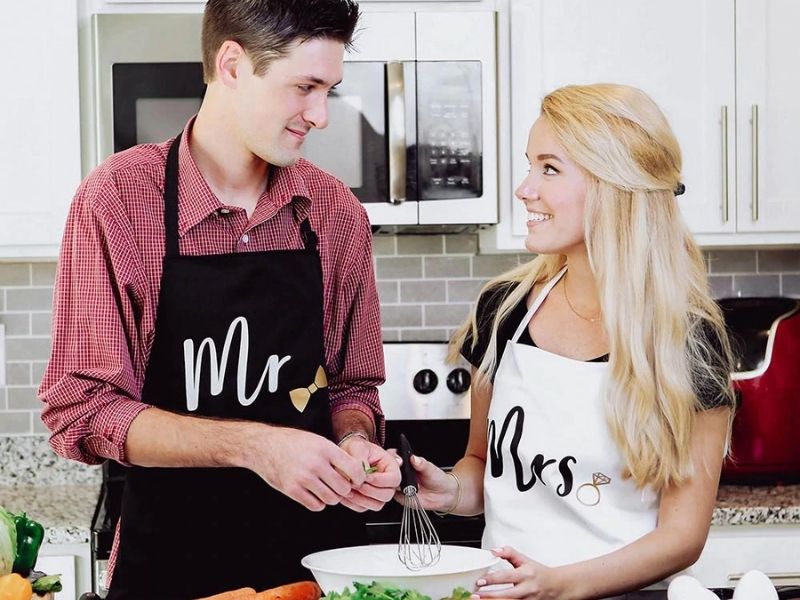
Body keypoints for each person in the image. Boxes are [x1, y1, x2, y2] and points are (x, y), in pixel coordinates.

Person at [38, 1, 401, 598]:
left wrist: (356, 446)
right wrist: (255, 445)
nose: (321, 116)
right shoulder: (118, 202)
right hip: (172, 564)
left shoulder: (334, 212)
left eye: (329, 90)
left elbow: (350, 389)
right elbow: (83, 411)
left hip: (314, 567)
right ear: (232, 64)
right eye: (305, 87)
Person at [402, 83, 735, 599]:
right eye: (529, 165)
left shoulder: (686, 337)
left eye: (549, 169)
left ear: (614, 184)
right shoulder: (504, 308)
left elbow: (681, 537)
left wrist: (558, 586)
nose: (524, 189)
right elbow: (482, 468)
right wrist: (447, 492)